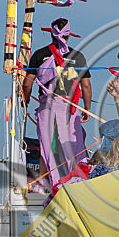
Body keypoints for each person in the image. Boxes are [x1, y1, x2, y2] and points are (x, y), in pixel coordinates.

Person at [22, 18, 92, 188]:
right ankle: (76, 182)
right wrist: (87, 109)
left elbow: (27, 83)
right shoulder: (78, 56)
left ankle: (48, 183)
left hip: (48, 107)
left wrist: (26, 102)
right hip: (70, 108)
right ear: (68, 36)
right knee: (73, 145)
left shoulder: (39, 55)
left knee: (48, 146)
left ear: (51, 33)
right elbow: (86, 86)